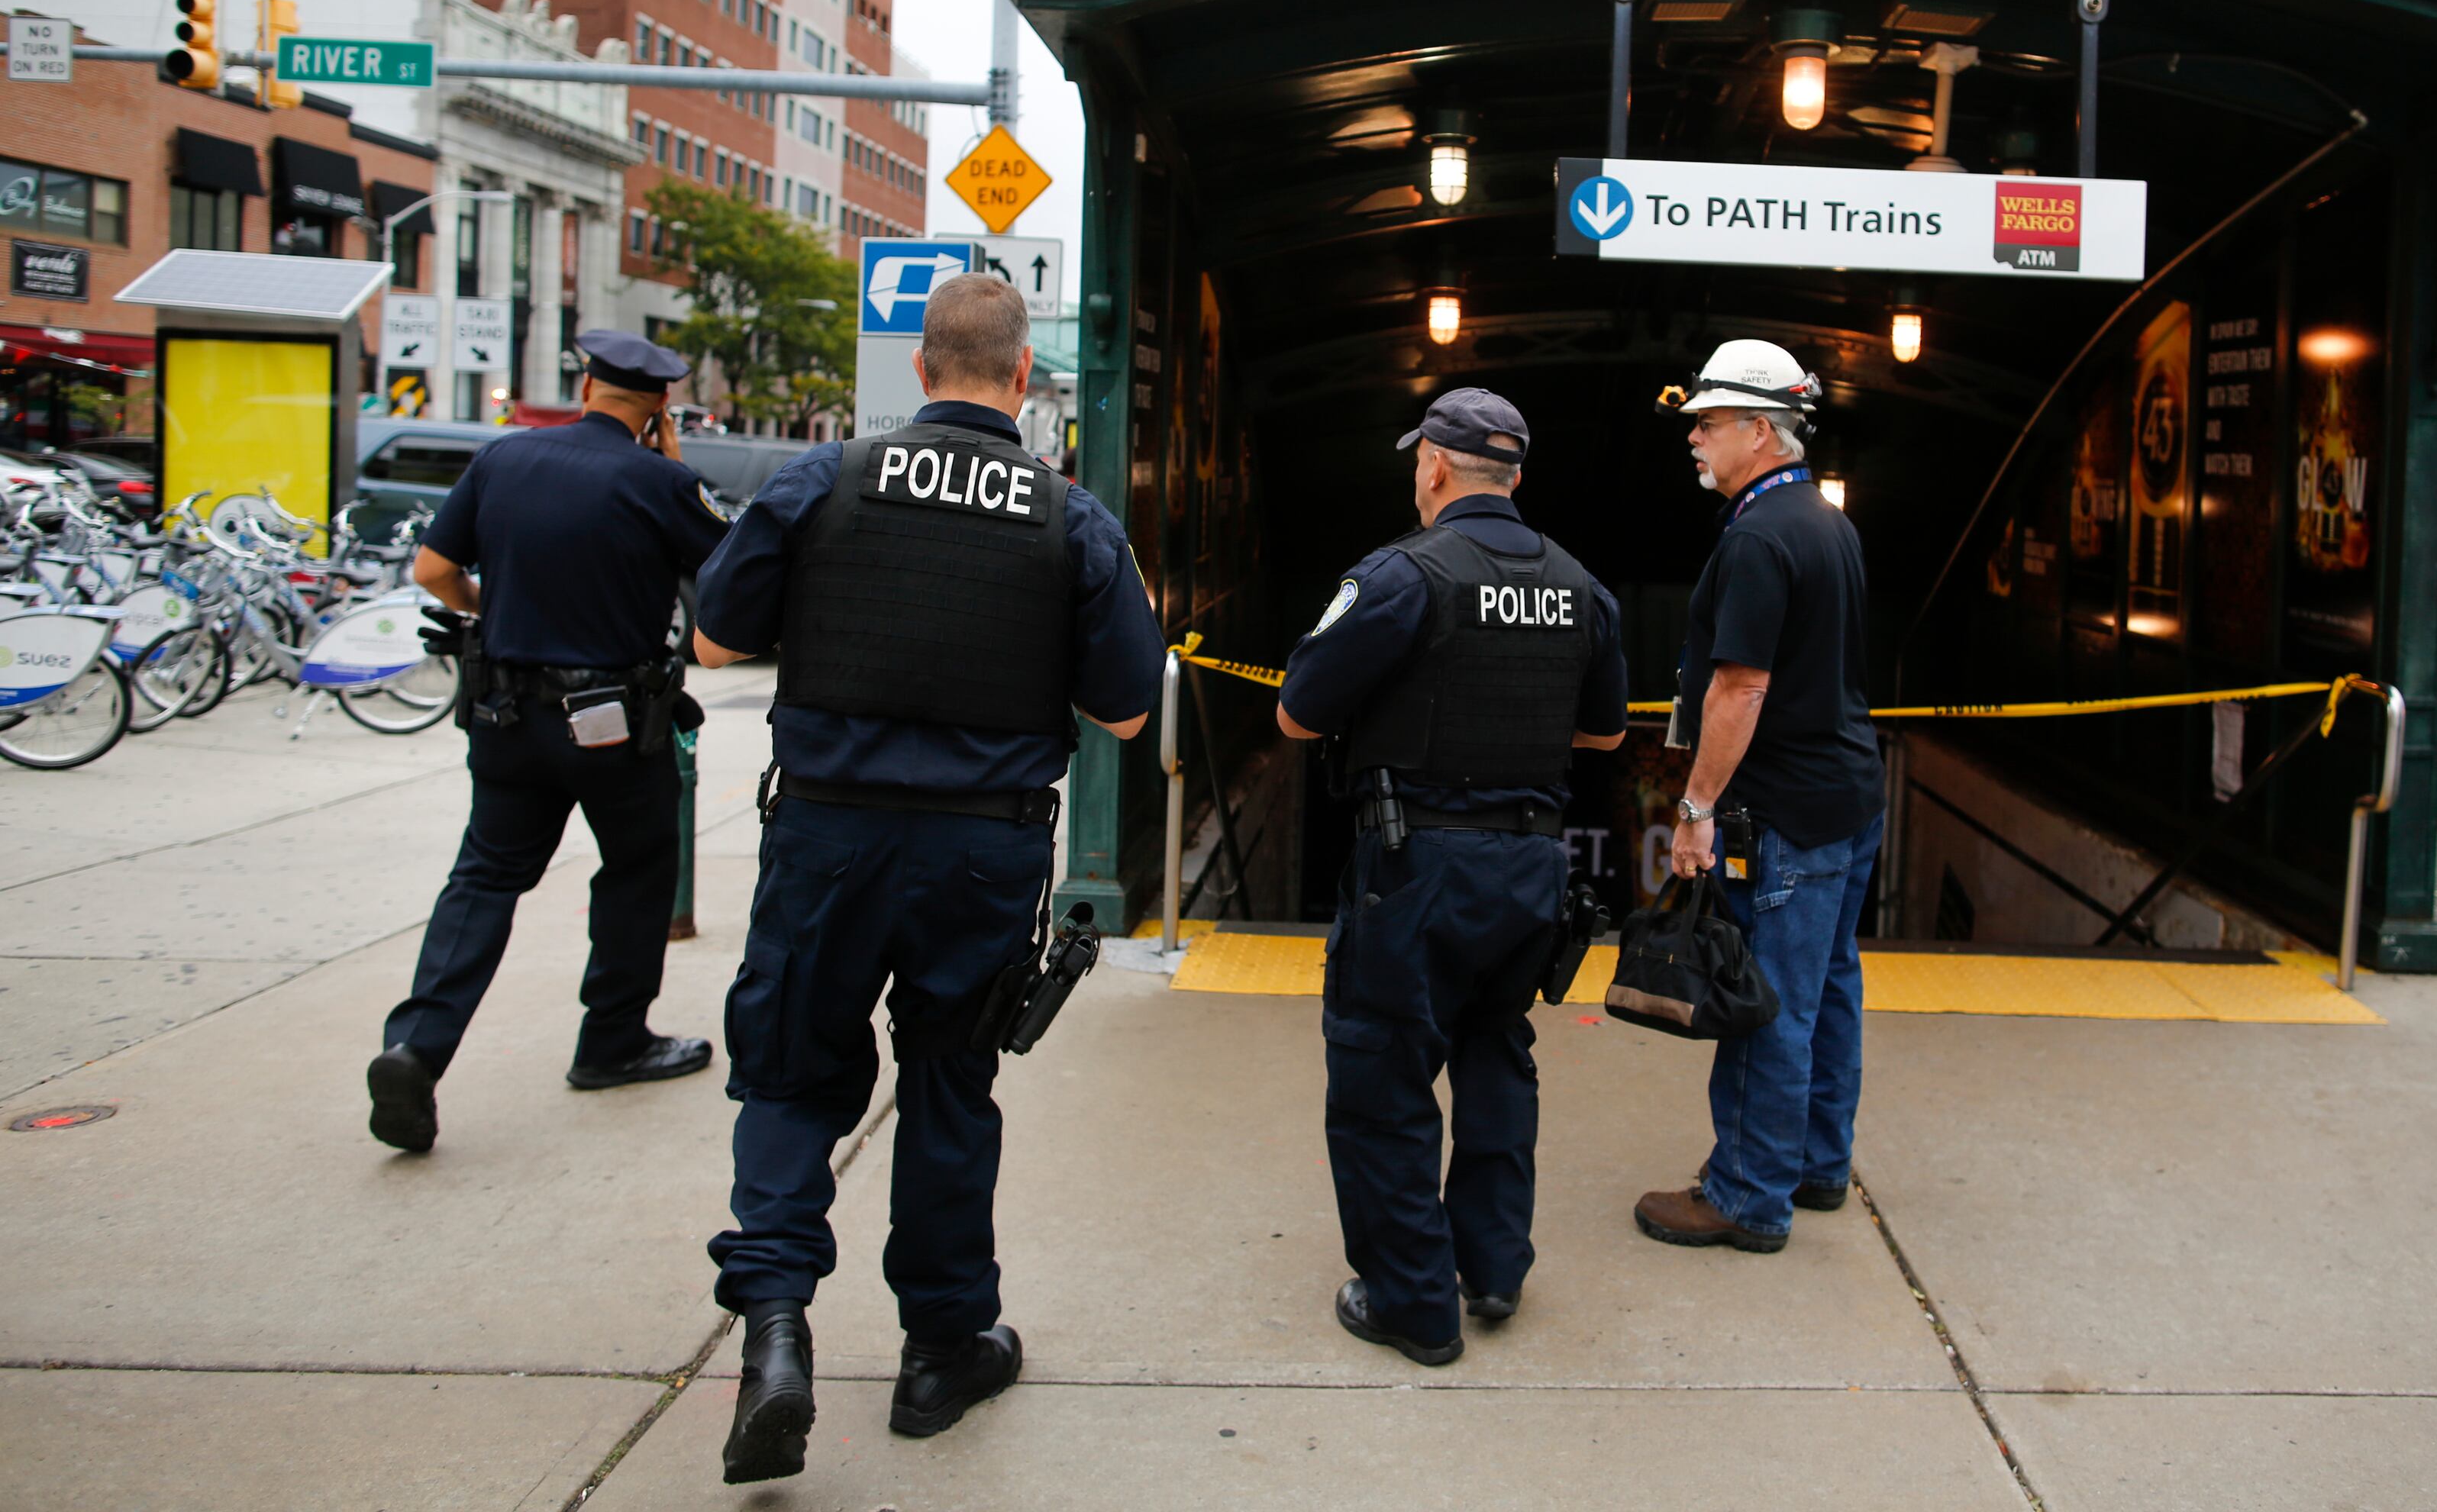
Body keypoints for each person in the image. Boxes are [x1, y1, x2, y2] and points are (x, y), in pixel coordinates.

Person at [688, 272, 1158, 1485]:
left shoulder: (824, 480)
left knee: (790, 1073)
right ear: (1020, 380)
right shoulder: (1070, 518)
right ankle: (944, 1349)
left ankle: (778, 1329)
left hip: (826, 838)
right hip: (983, 849)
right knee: (951, 1083)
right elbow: (1123, 709)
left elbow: (715, 637)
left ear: (919, 368)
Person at [1274, 388, 1629, 1366]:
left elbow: (1299, 712)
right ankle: (1493, 1266)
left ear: (1434, 466)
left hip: (1417, 863)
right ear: (1515, 476)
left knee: (1384, 1070)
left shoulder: (1402, 576)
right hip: (1530, 865)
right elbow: (1603, 731)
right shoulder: (1578, 585)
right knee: (1495, 1049)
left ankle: (1412, 1300)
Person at [368, 330, 728, 1155]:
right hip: (613, 726)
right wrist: (672, 473)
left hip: (504, 715)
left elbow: (432, 569)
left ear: (588, 384)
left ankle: (417, 1046)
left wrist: (480, 609)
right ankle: (613, 1041)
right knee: (639, 870)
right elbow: (735, 573)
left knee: (485, 877)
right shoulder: (662, 480)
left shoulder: (502, 459)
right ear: (660, 404)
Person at [1634, 340, 1886, 1254]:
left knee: (1763, 996)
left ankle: (1746, 1195)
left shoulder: (1757, 538)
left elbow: (1740, 688)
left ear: (1759, 430)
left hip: (1782, 811)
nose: (1694, 437)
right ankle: (1816, 1163)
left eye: (1708, 421)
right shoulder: (1826, 521)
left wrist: (1694, 810)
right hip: (1849, 796)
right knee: (1828, 987)